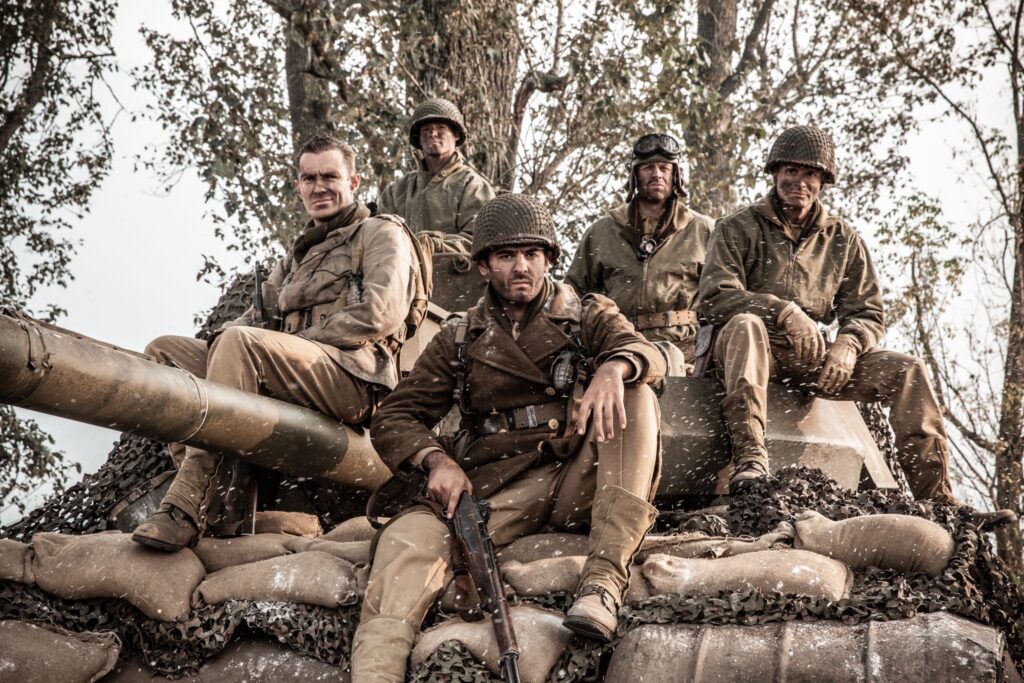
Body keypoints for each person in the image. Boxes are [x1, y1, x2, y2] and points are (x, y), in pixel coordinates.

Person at [351, 194, 666, 680]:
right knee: (405, 544)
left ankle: (602, 582)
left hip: (575, 477)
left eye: (532, 255)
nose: (521, 267)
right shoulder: (461, 336)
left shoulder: (586, 315)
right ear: (483, 267)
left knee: (635, 393)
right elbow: (396, 415)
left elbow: (646, 351)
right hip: (493, 485)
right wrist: (436, 460)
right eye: (506, 256)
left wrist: (613, 367)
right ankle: (377, 673)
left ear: (548, 260)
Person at [698, 125, 1016, 529]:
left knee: (908, 371)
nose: (799, 182)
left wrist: (848, 344)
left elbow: (867, 311)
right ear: (775, 174)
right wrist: (781, 310)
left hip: (809, 357)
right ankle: (750, 458)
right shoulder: (737, 227)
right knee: (745, 325)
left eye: (810, 174)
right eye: (790, 172)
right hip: (744, 351)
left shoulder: (843, 239)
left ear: (823, 182)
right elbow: (713, 297)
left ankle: (939, 502)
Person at [131, 134, 421, 552]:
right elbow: (253, 318)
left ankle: (187, 503)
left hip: (353, 377)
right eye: (308, 178)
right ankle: (222, 498)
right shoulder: (298, 255)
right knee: (164, 353)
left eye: (329, 176)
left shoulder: (380, 233)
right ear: (298, 186)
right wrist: (220, 351)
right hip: (291, 366)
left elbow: (380, 313)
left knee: (241, 345)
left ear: (354, 181)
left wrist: (288, 342)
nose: (319, 186)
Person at [566, 133, 714, 375]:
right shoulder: (602, 231)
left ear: (675, 175)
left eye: (664, 167)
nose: (657, 174)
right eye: (648, 167)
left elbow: (720, 294)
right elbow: (573, 298)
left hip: (687, 353)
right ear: (634, 175)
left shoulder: (703, 229)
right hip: (619, 349)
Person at [377, 97, 495, 255]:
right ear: (419, 138)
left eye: (441, 128)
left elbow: (480, 241)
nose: (433, 134)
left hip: (455, 275)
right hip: (403, 275)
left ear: (456, 135)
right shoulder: (397, 189)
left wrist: (429, 245)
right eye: (426, 130)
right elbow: (380, 237)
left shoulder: (473, 185)